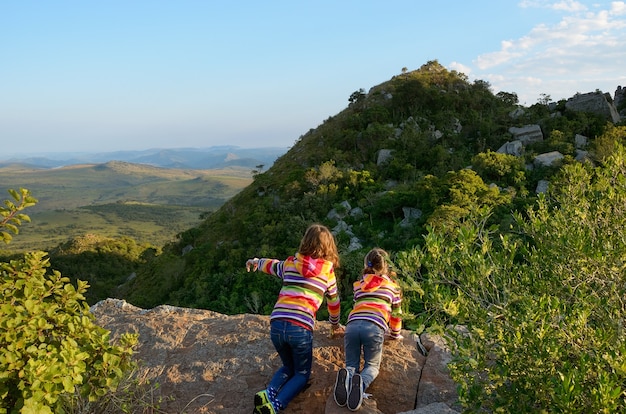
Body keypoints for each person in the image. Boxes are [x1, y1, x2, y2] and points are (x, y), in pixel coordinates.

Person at [246, 223, 343, 414]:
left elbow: (272, 265)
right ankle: (275, 406)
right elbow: (334, 301)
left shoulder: (291, 263)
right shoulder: (327, 271)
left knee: (287, 366)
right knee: (302, 373)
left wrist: (255, 261)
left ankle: (268, 392)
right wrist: (335, 325)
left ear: (305, 242)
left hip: (277, 324)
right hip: (300, 328)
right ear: (328, 247)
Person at [333, 247, 403, 411]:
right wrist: (395, 334)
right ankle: (361, 384)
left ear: (367, 264)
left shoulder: (359, 285)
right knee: (372, 366)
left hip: (352, 326)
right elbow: (396, 314)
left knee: (351, 363)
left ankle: (348, 375)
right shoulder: (393, 287)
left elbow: (357, 304)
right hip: (374, 327)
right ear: (387, 266)